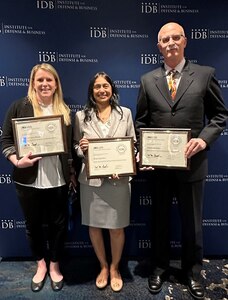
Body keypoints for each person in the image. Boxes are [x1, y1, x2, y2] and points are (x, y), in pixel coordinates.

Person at [134, 22, 228, 299]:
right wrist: (144, 150)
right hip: (160, 167)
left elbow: (220, 116)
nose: (171, 42)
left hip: (193, 163)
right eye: (165, 39)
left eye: (176, 37)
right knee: (160, 220)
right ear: (159, 46)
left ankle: (193, 272)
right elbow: (141, 122)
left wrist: (204, 139)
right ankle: (159, 268)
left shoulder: (205, 74)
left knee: (192, 223)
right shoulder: (147, 79)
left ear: (185, 42)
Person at [1, 63, 76, 292]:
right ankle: (41, 265)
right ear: (32, 83)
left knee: (58, 225)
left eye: (49, 80)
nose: (44, 84)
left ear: (56, 84)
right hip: (27, 179)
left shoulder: (65, 112)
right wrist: (16, 160)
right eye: (40, 80)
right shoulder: (19, 107)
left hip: (57, 179)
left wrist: (72, 173)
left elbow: (70, 151)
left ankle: (54, 265)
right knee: (33, 226)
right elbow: (5, 140)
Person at [73, 71, 136, 292]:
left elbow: (133, 146)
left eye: (105, 86)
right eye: (97, 86)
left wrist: (124, 164)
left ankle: (115, 268)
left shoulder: (125, 114)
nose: (102, 90)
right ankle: (102, 266)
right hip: (91, 183)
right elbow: (75, 148)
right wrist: (81, 149)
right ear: (92, 91)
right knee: (95, 227)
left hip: (119, 182)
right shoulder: (81, 116)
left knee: (117, 228)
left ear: (112, 89)